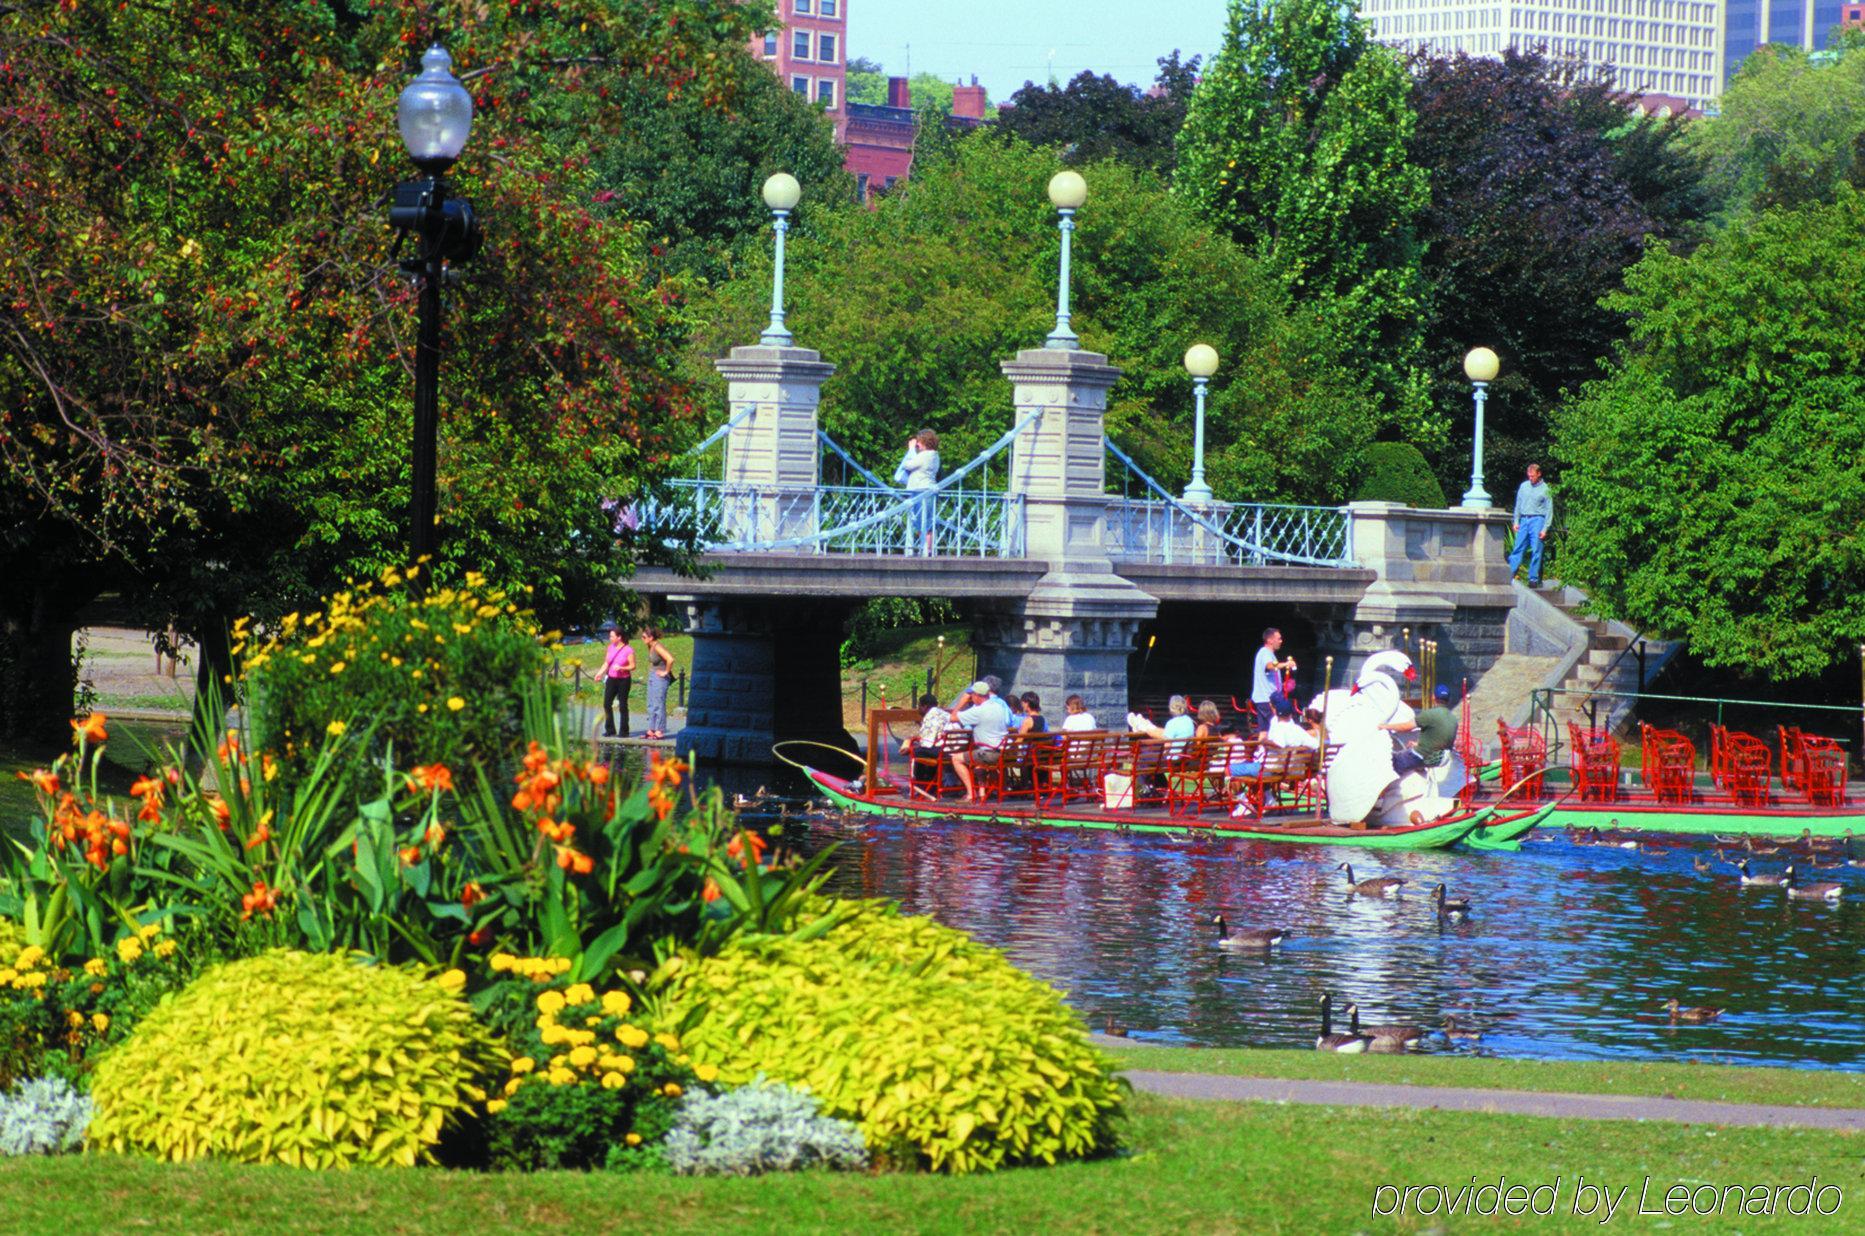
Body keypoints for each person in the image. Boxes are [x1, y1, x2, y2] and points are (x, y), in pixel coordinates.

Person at [948, 680, 1013, 801]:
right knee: (977, 756)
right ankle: (983, 791)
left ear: (977, 695)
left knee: (956, 758)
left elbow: (952, 718)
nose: (971, 698)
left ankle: (970, 793)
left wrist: (961, 703)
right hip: (1004, 751)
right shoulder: (998, 707)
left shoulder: (978, 711)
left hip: (990, 754)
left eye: (972, 695)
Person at [1385, 684, 1459, 777]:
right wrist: (1417, 744)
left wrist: (1384, 726)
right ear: (1448, 699)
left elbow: (1405, 727)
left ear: (1433, 697)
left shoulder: (1430, 714)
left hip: (1424, 756)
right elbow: (1441, 740)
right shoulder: (1453, 719)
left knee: (1393, 762)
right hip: (1441, 759)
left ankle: (1392, 788)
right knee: (1414, 755)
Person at [893, 428, 941, 554]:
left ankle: (926, 550)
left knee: (922, 522)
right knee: (926, 522)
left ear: (925, 442)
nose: (917, 445)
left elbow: (908, 465)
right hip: (928, 490)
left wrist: (911, 449)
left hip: (920, 491)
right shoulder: (935, 455)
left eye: (919, 442)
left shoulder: (925, 455)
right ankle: (926, 550)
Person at [1509, 462, 1554, 588]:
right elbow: (1518, 504)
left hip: (1537, 519)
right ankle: (1511, 572)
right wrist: (1516, 521)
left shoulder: (1545, 489)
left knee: (1536, 549)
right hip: (1524, 519)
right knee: (1518, 547)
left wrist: (1545, 528)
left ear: (1539, 474)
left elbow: (1549, 510)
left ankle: (1533, 578)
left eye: (1532, 476)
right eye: (1529, 476)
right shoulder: (1524, 486)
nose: (1530, 478)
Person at [1249, 629, 1297, 733]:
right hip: (1267, 699)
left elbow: (1269, 674)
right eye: (1278, 639)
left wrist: (1282, 685)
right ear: (1270, 640)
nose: (1281, 641)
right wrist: (1286, 664)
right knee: (1277, 726)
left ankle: (1262, 748)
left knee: (1265, 730)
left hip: (1267, 697)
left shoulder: (1269, 654)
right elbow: (1270, 666)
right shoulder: (1265, 653)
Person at [901, 693, 953, 785]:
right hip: (951, 749)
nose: (918, 708)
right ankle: (931, 783)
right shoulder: (946, 714)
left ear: (925, 706)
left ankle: (921, 784)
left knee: (915, 752)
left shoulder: (929, 716)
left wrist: (909, 749)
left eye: (919, 706)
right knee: (922, 751)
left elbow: (926, 743)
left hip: (940, 751)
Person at [639, 626, 677, 741]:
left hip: (660, 679)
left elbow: (670, 659)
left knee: (658, 704)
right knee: (651, 703)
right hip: (652, 676)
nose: (642, 638)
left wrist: (666, 672)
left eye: (644, 637)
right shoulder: (650, 646)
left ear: (651, 637)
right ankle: (651, 730)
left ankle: (659, 731)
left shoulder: (658, 646)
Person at [599, 625, 634, 738]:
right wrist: (599, 673)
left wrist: (622, 668)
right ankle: (610, 729)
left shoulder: (628, 649)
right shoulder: (610, 648)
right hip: (611, 678)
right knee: (606, 703)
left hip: (624, 679)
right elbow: (606, 663)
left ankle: (624, 731)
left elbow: (633, 666)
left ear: (619, 637)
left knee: (623, 705)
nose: (610, 638)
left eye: (612, 636)